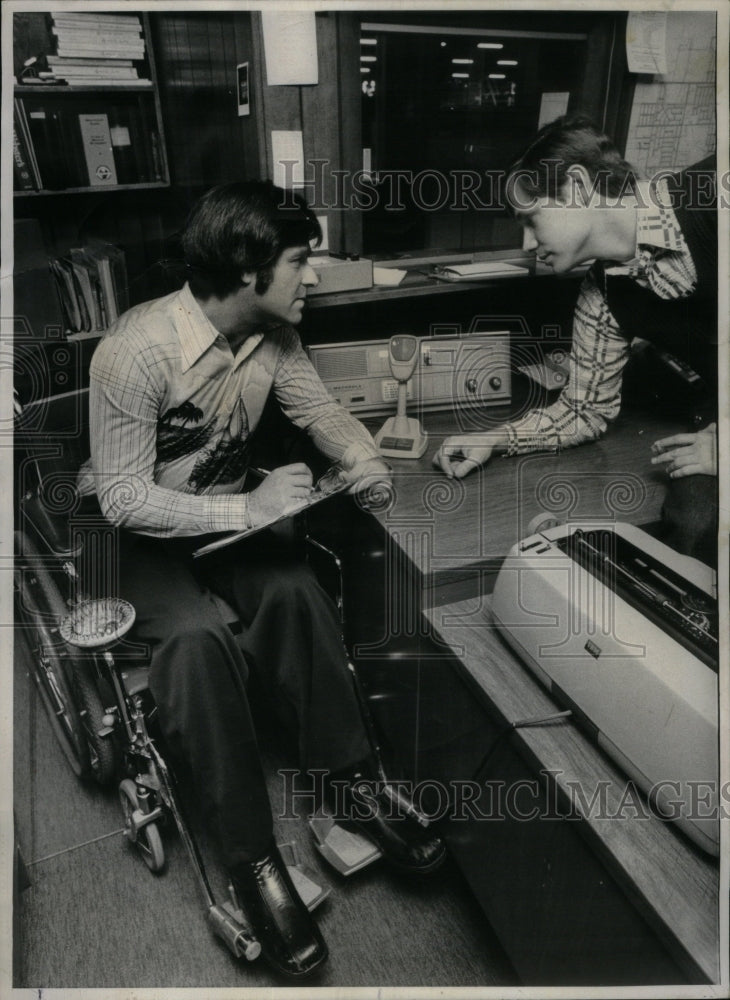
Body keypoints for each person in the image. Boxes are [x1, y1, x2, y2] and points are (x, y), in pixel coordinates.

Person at [77, 181, 445, 979]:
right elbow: (125, 498)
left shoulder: (273, 337)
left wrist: (363, 456)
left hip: (216, 513)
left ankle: (355, 781)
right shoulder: (136, 351)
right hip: (123, 534)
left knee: (292, 590)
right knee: (198, 638)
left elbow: (320, 413)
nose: (312, 276)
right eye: (301, 261)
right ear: (249, 270)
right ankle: (252, 860)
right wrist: (246, 507)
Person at [433, 115, 718, 566]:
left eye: (531, 219)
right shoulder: (603, 291)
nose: (527, 243)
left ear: (578, 185)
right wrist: (495, 438)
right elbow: (584, 410)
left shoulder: (715, 192)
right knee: (692, 529)